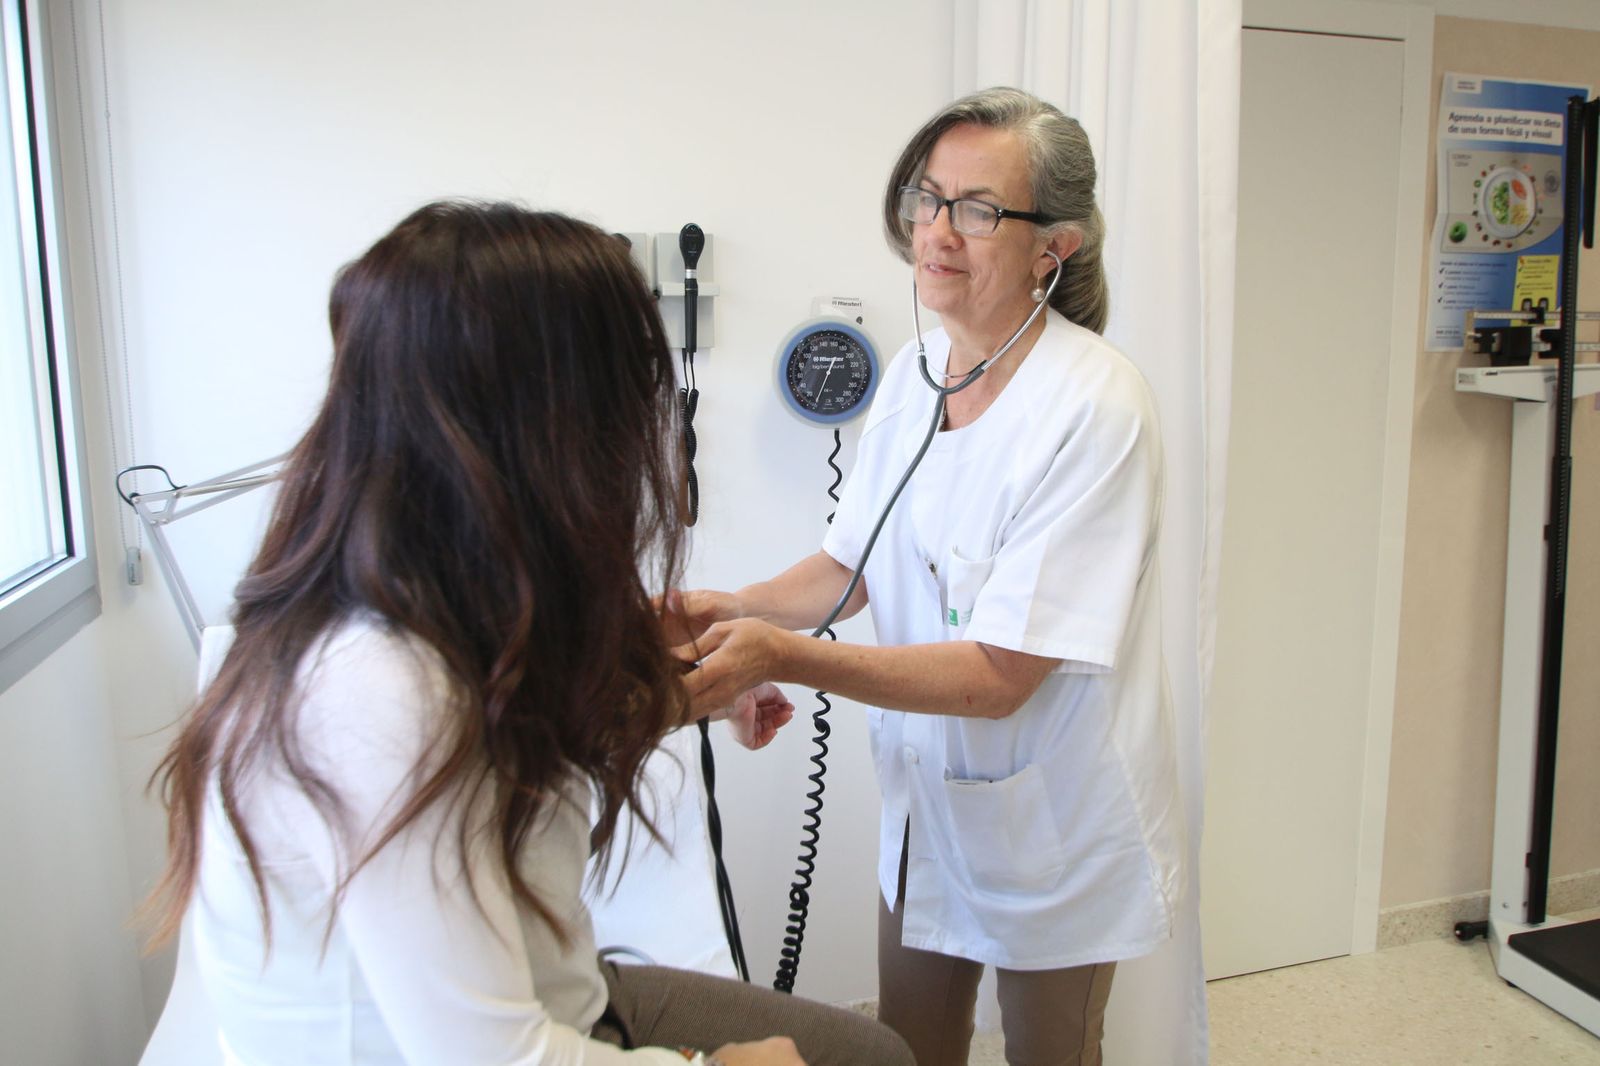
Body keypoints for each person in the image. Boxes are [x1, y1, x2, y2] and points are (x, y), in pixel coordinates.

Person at [141, 201, 914, 1066]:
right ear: (545, 427)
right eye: (626, 400)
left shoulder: (423, 593)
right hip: (487, 1043)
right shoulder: (379, 689)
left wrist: (687, 689)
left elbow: (513, 741)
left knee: (868, 1052)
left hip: (562, 988)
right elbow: (494, 1059)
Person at [670, 88, 1185, 1066]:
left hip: (1052, 822)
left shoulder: (1094, 407)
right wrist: (724, 605)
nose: (937, 231)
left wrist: (778, 655)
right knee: (905, 1048)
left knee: (1053, 1054)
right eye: (927, 198)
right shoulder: (914, 376)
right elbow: (846, 567)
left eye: (979, 209)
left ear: (1054, 247)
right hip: (927, 810)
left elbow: (999, 676)